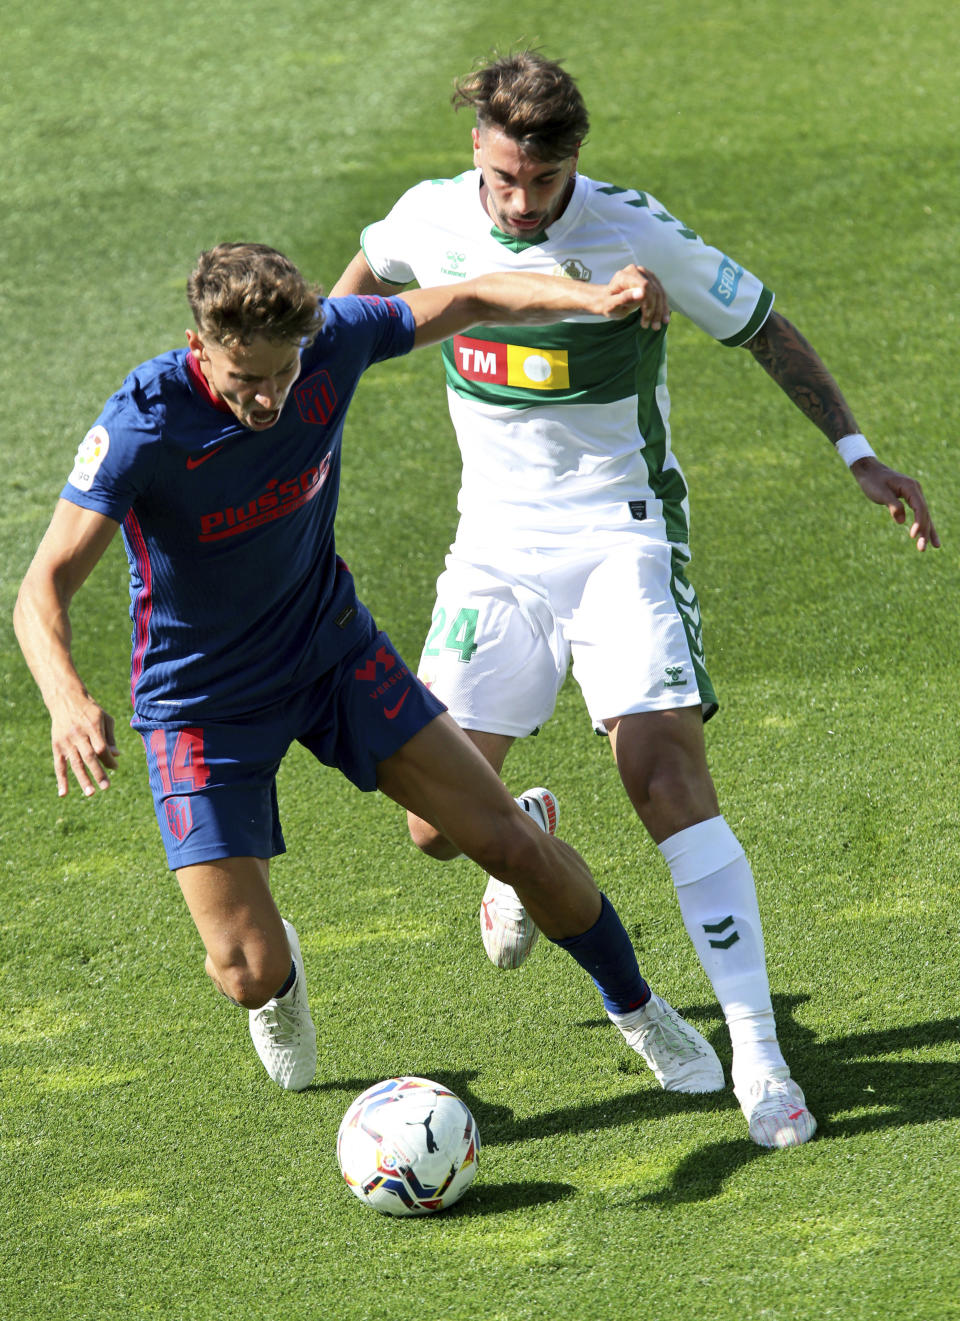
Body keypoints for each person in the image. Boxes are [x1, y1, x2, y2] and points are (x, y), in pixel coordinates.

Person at [331, 50, 940, 1149]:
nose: (523, 204)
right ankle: (524, 833)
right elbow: (357, 292)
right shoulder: (426, 217)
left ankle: (759, 1054)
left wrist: (860, 452)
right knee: (429, 824)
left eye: (546, 183)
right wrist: (299, 410)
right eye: (509, 179)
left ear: (576, 164)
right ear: (478, 148)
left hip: (622, 537)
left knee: (660, 774)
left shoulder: (632, 230)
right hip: (492, 554)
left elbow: (762, 325)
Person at [14, 241, 732, 1109]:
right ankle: (278, 979)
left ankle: (642, 1011)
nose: (268, 398)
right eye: (245, 378)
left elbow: (467, 299)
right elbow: (41, 586)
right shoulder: (144, 420)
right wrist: (66, 696)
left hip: (332, 655)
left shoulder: (337, 339)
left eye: (282, 373)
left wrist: (586, 295)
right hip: (199, 703)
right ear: (199, 344)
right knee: (244, 970)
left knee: (505, 836)